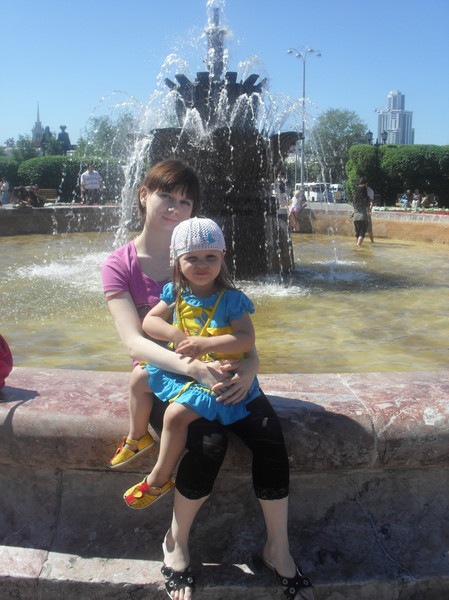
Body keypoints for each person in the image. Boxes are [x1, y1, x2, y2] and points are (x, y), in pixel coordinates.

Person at [101, 159, 314, 600]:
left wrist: (250, 366)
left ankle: (278, 547)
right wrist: (194, 363)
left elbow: (244, 338)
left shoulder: (218, 277)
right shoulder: (123, 265)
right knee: (208, 442)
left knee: (270, 434)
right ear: (144, 194)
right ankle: (176, 542)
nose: (175, 207)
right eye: (167, 196)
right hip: (169, 377)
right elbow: (137, 339)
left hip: (225, 375)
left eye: (186, 201)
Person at [122, 216, 262, 513]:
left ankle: (159, 478)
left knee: (175, 415)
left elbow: (246, 339)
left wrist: (207, 345)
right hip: (188, 371)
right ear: (177, 261)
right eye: (192, 258)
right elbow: (149, 322)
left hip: (217, 376)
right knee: (138, 378)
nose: (202, 265)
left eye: (210, 257)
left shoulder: (232, 299)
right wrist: (175, 333)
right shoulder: (176, 292)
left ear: (222, 257)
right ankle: (137, 436)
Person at [352, 177, 370, 247]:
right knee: (362, 234)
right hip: (363, 218)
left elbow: (354, 208)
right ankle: (358, 246)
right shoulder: (366, 198)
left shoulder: (355, 198)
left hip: (355, 218)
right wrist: (369, 214)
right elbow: (368, 209)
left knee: (357, 233)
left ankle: (356, 245)